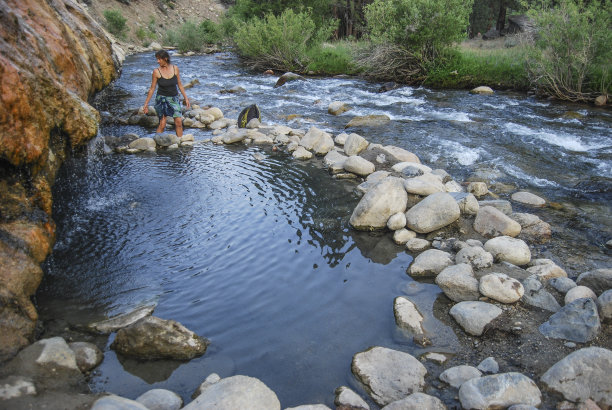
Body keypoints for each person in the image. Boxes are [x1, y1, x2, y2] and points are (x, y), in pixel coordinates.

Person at [143, 50, 190, 137]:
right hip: (162, 99)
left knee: (178, 122)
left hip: (174, 98)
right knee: (162, 124)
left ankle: (180, 142)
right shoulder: (156, 72)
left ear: (166, 59)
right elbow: (152, 88)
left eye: (159, 59)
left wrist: (186, 98)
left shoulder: (175, 68)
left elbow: (180, 84)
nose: (157, 61)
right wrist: (146, 104)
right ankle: (157, 141)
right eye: (157, 59)